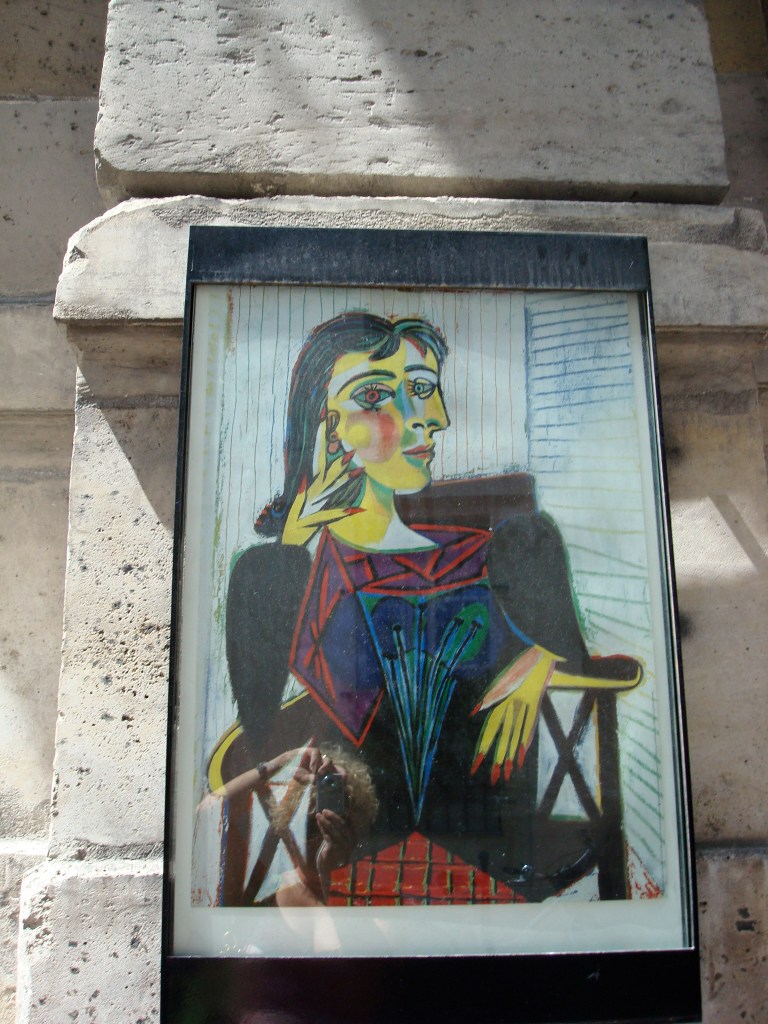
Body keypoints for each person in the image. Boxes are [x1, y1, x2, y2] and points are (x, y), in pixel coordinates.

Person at [214, 312, 642, 906]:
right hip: (355, 844)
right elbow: (259, 729)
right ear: (327, 427)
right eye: (376, 396)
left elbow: (577, 656)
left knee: (531, 537)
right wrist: (297, 530)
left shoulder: (502, 551)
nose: (430, 417)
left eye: (422, 388)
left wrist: (538, 661)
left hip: (493, 837)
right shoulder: (293, 570)